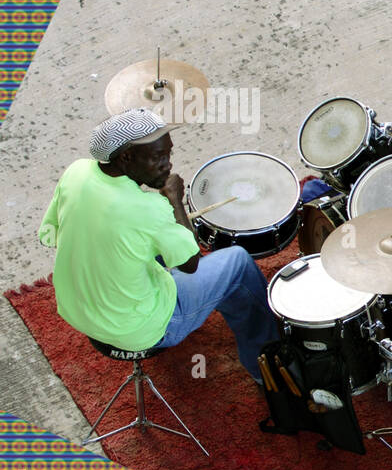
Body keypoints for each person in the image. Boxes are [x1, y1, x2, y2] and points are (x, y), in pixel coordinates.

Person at [38, 108, 279, 383]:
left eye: (168, 154)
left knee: (144, 245)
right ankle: (267, 369)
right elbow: (190, 264)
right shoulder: (149, 209)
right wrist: (174, 200)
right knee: (237, 261)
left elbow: (49, 235)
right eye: (157, 157)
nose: (167, 165)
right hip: (141, 330)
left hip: (77, 311)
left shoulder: (76, 172)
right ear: (126, 157)